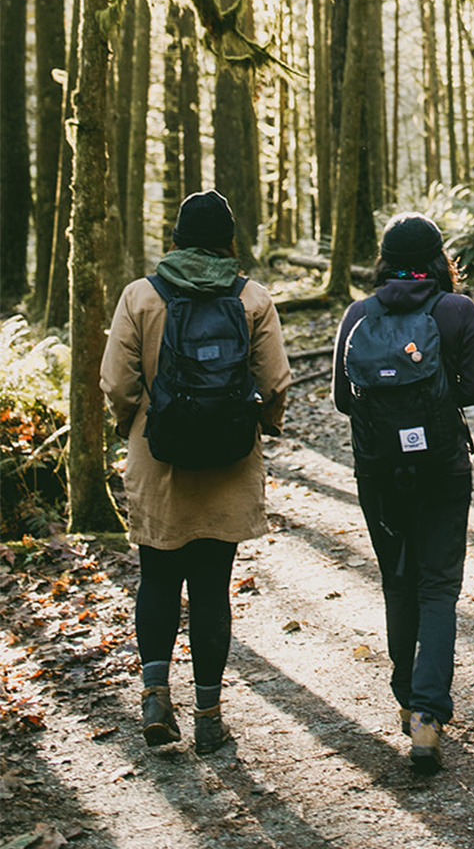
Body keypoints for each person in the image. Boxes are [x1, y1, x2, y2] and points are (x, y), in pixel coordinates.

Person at [101, 190, 291, 753]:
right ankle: (209, 714)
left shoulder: (141, 295)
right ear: (229, 242)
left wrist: (131, 425)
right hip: (229, 462)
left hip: (157, 457)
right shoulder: (252, 297)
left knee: (157, 577)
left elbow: (116, 382)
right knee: (212, 587)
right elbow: (276, 380)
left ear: (177, 239)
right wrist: (262, 426)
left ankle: (156, 695)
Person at [332, 214, 474, 773]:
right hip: (442, 468)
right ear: (439, 259)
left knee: (397, 579)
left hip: (378, 472)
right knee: (438, 586)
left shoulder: (357, 315)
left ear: (384, 259)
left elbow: (343, 401)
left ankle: (404, 694)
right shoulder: (456, 311)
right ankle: (426, 714)